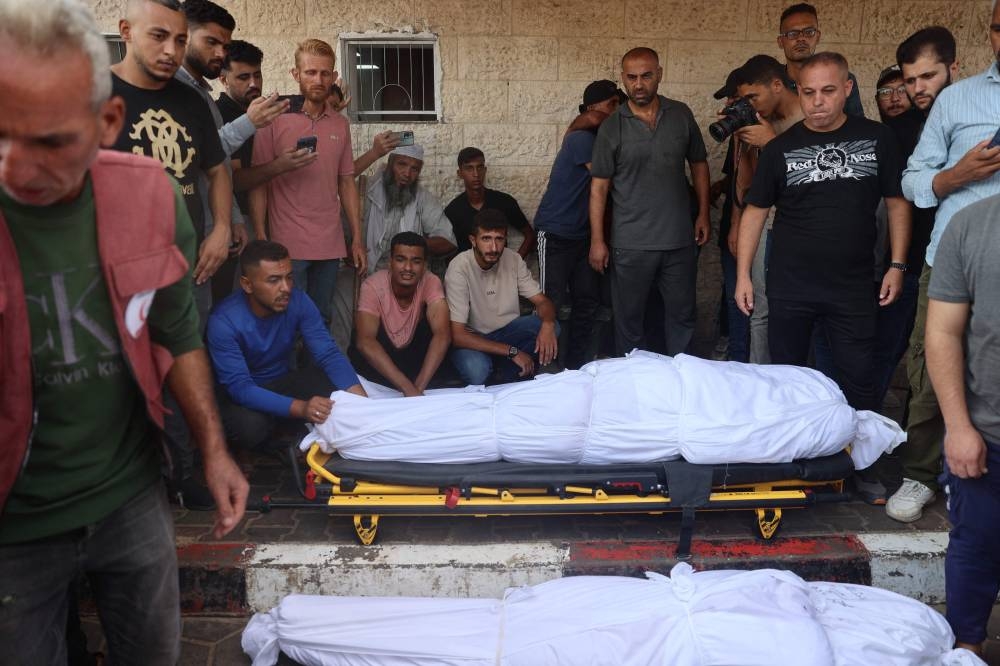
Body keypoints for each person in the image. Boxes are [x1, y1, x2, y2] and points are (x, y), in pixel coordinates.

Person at [0, 1, 248, 662]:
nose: (15, 167)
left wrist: (213, 450)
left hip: (129, 500)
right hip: (14, 528)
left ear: (107, 121)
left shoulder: (150, 197)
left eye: (50, 139)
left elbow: (180, 332)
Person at [735, 52, 910, 416]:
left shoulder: (878, 138)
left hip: (853, 286)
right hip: (791, 285)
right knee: (787, 377)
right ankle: (794, 459)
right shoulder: (780, 148)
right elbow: (754, 212)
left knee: (858, 377)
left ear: (846, 88)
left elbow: (897, 202)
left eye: (828, 91)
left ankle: (859, 461)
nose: (818, 101)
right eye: (809, 92)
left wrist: (897, 264)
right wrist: (743, 276)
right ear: (798, 92)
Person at [889, 10, 1000, 522]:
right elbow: (914, 181)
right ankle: (921, 474)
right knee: (933, 373)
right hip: (953, 262)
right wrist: (956, 176)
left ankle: (980, 476)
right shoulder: (958, 99)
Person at [589, 47, 710, 357]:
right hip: (630, 244)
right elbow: (599, 188)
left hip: (679, 240)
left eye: (646, 76)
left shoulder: (680, 114)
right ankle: (634, 389)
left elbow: (699, 164)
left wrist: (703, 215)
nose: (639, 84)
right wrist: (598, 241)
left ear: (660, 74)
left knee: (682, 318)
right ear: (623, 79)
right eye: (631, 77)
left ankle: (681, 386)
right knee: (629, 322)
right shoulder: (611, 126)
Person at [925, 192, 1000, 658]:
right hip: (989, 434)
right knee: (975, 546)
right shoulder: (971, 225)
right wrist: (957, 428)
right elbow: (943, 331)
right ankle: (967, 650)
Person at [249, 38, 365, 329]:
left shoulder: (340, 124)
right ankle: (287, 376)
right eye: (311, 72)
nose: (318, 79)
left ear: (334, 76)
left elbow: (347, 182)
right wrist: (262, 235)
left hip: (330, 242)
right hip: (287, 243)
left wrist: (357, 238)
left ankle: (315, 375)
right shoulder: (274, 120)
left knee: (320, 319)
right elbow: (259, 180)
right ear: (295, 74)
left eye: (325, 73)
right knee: (285, 321)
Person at [207, 241, 366, 451]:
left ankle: (285, 431)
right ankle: (266, 442)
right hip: (243, 394)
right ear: (247, 284)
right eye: (274, 280)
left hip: (282, 382)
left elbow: (327, 354)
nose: (286, 288)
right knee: (250, 427)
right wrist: (302, 408)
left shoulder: (299, 302)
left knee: (335, 386)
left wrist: (362, 403)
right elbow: (240, 388)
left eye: (289, 277)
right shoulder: (224, 321)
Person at [535, 80, 621, 369]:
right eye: (613, 104)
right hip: (557, 234)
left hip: (584, 236)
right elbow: (605, 177)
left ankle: (575, 367)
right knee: (551, 305)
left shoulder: (590, 135)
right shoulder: (581, 138)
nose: (618, 111)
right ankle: (548, 370)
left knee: (586, 303)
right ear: (594, 108)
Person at [727, 55, 803, 365]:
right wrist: (743, 145)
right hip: (765, 223)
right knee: (760, 309)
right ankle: (760, 378)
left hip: (801, 230)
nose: (750, 105)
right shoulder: (760, 121)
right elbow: (748, 185)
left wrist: (772, 142)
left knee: (797, 310)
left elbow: (811, 175)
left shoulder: (810, 117)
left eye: (752, 97)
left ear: (776, 85)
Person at [446, 210, 559, 385]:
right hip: (474, 339)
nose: (493, 247)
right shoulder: (459, 267)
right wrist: (512, 351)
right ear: (473, 240)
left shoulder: (513, 259)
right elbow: (458, 335)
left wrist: (548, 324)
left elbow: (542, 302)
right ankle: (509, 368)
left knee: (553, 327)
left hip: (507, 332)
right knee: (477, 371)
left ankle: (507, 372)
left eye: (499, 239)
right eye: (486, 239)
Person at [350, 232, 452, 395]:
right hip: (378, 372)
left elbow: (442, 335)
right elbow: (365, 342)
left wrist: (417, 389)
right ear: (390, 262)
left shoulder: (431, 281)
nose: (408, 268)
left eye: (416, 261)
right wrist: (408, 388)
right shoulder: (372, 286)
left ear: (425, 265)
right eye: (400, 260)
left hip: (416, 371)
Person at [364, 143, 457, 273]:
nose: (407, 173)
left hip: (407, 276)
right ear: (390, 164)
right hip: (365, 273)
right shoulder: (366, 190)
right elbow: (340, 232)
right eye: (402, 164)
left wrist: (413, 245)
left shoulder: (423, 198)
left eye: (414, 169)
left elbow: (448, 242)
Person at [445, 147, 536, 257]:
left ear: (485, 169)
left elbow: (530, 235)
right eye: (469, 168)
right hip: (469, 271)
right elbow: (448, 249)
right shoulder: (453, 210)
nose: (476, 174)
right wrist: (458, 271)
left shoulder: (504, 201)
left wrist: (514, 265)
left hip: (500, 269)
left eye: (479, 167)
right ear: (460, 173)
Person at [777, 2, 865, 117]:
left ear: (817, 37)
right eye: (793, 34)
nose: (801, 38)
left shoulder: (841, 78)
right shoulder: (772, 83)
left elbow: (858, 127)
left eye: (809, 32)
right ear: (780, 41)